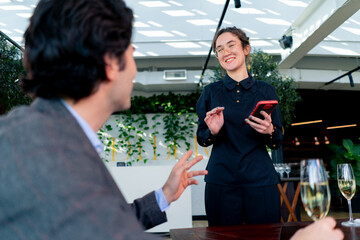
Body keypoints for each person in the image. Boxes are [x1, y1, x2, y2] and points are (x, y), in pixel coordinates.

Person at [0, 0, 207, 239]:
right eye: (132, 55)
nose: (134, 71)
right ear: (109, 63)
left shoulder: (34, 134)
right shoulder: (51, 156)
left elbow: (96, 219)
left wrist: (165, 195)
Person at [196, 26, 283, 226]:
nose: (225, 52)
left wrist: (270, 131)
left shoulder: (266, 90)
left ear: (246, 49)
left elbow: (277, 141)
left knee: (266, 237)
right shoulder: (210, 92)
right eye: (219, 49)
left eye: (231, 45)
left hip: (261, 180)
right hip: (221, 181)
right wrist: (212, 131)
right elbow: (202, 138)